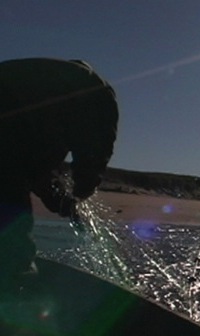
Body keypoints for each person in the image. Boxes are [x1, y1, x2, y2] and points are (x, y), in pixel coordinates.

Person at [0, 58, 119, 293]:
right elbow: (94, 154)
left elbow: (34, 172)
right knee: (11, 219)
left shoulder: (41, 110)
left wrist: (62, 202)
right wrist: (82, 189)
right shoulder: (97, 96)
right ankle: (16, 287)